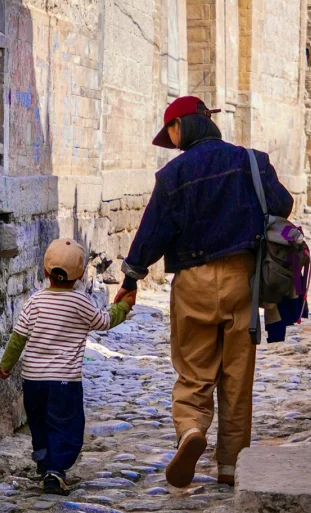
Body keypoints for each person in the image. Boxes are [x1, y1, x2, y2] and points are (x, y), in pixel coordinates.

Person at [114, 96, 294, 489]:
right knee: (237, 375)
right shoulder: (252, 160)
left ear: (181, 126)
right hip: (242, 279)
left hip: (193, 282)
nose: (172, 139)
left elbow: (153, 233)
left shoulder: (173, 175)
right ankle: (230, 465)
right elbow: (283, 203)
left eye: (171, 131)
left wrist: (130, 281)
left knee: (194, 372)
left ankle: (192, 430)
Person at [0, 237, 131, 494]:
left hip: (33, 381)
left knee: (38, 424)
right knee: (65, 425)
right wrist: (123, 306)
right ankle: (55, 470)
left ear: (45, 271)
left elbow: (18, 339)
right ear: (81, 275)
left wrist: (6, 366)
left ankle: (44, 463)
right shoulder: (80, 302)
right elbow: (104, 321)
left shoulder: (35, 302)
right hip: (64, 382)